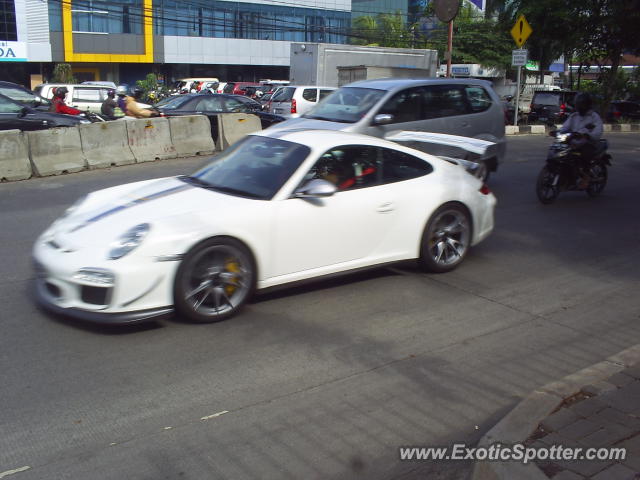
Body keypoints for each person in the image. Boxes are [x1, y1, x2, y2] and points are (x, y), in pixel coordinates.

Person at [558, 92, 603, 188]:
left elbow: (598, 130)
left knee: (585, 154)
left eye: (582, 104)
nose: (580, 107)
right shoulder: (574, 116)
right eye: (578, 104)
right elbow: (565, 127)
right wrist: (558, 132)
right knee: (561, 153)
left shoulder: (593, 117)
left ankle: (585, 177)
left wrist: (589, 135)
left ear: (587, 104)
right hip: (573, 141)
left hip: (588, 143)